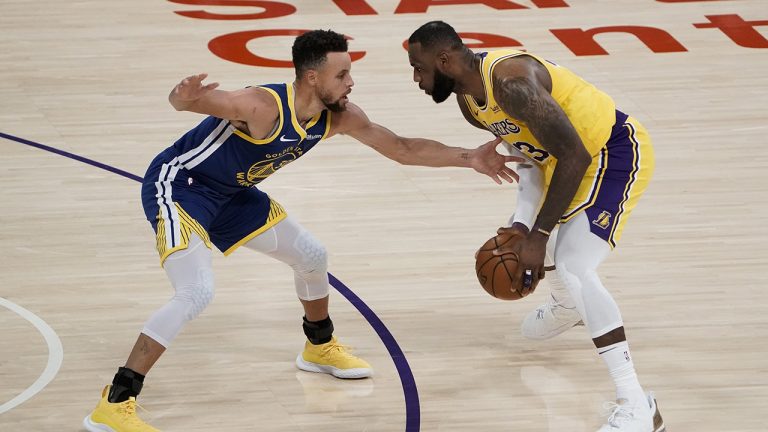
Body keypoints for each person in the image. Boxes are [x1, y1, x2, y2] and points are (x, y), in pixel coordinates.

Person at [83, 29, 522, 432]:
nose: (351, 82)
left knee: (311, 255)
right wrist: (183, 96)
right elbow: (193, 104)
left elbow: (402, 148)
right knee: (195, 292)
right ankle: (115, 402)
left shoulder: (337, 116)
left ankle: (318, 346)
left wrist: (469, 157)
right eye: (342, 74)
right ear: (313, 78)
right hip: (182, 188)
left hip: (233, 194)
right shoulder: (262, 106)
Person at [406, 21, 665, 432]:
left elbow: (575, 156)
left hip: (610, 153)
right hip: (566, 163)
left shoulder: (512, 84)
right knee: (534, 243)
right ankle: (568, 305)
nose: (416, 79)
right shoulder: (471, 103)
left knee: (574, 263)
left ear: (444, 60)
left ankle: (638, 404)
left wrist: (538, 235)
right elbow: (531, 162)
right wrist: (522, 226)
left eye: (419, 68)